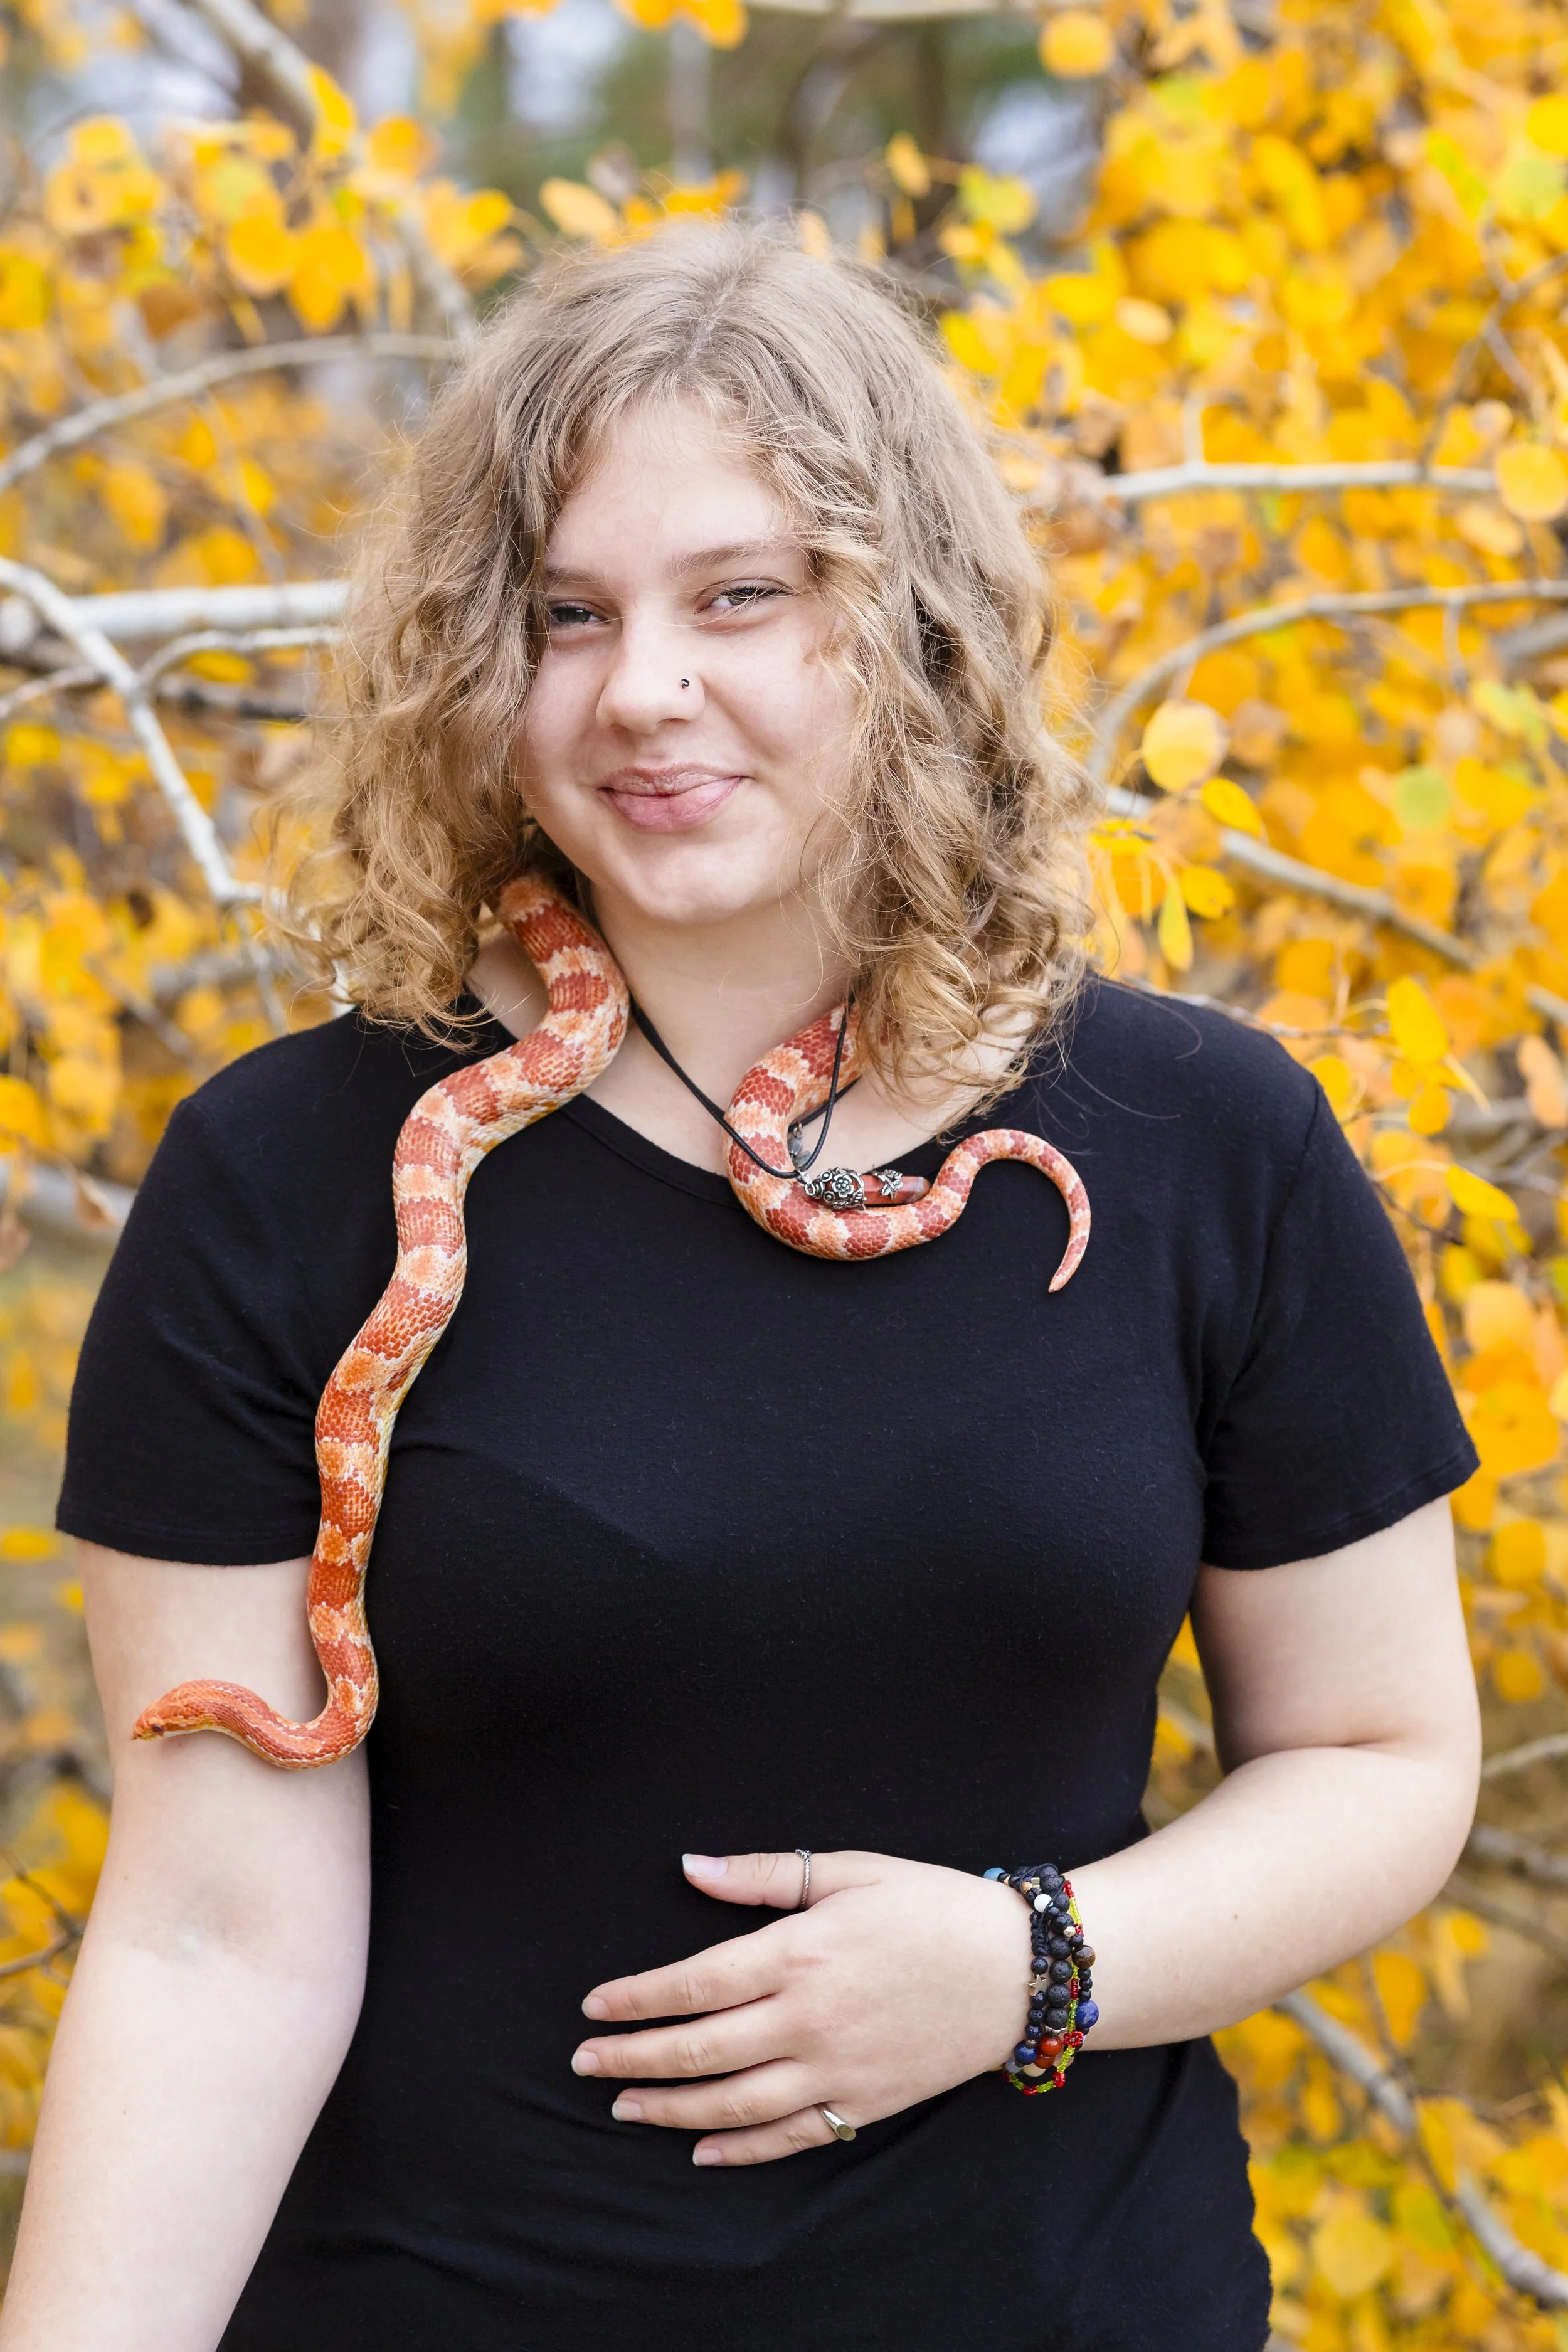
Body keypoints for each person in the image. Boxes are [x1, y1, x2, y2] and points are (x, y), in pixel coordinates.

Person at [6, 225, 1478, 2352]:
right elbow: (210, 1942)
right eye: (567, 613)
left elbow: (1374, 1752)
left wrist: (1028, 1965)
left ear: (907, 627)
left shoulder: (1200, 1138)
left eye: (742, 596)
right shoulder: (290, 1178)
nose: (643, 689)